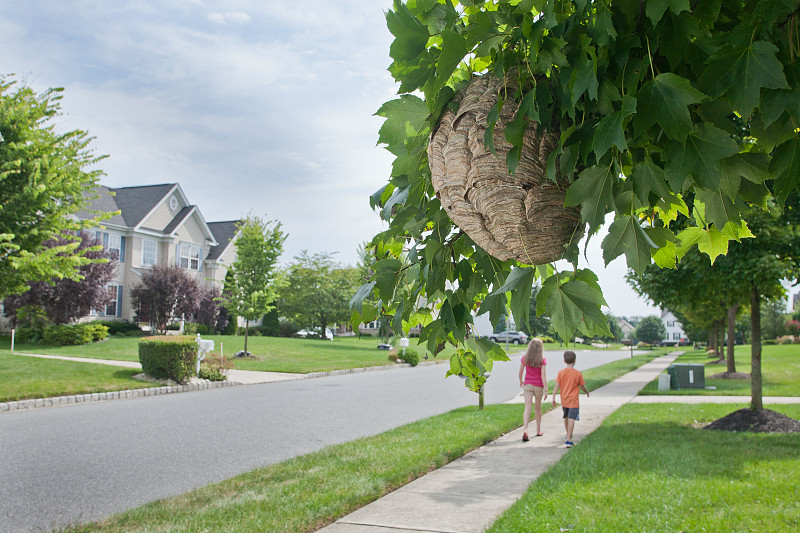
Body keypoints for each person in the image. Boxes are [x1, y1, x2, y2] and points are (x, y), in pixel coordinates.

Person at [552, 350, 589, 448]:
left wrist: (553, 397)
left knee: (566, 417)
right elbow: (582, 386)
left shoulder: (561, 372)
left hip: (564, 400)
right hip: (573, 401)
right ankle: (569, 439)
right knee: (572, 418)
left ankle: (568, 434)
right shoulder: (577, 373)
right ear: (575, 360)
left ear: (564, 361)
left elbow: (557, 385)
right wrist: (586, 392)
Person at [518, 338, 547, 442]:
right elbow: (543, 376)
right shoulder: (542, 359)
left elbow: (520, 372)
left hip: (528, 385)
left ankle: (525, 430)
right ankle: (538, 430)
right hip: (538, 386)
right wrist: (546, 389)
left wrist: (521, 381)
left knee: (527, 407)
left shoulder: (525, 358)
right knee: (538, 408)